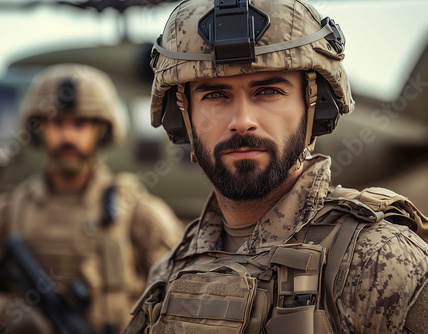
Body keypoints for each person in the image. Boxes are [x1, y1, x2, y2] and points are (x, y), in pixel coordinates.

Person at [124, 0, 428, 333]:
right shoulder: (170, 270)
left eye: (268, 91)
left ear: (314, 106)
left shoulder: (381, 262)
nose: (242, 122)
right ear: (182, 116)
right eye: (214, 95)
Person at [0, 64, 184, 334]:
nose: (68, 136)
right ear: (38, 131)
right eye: (57, 123)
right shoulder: (7, 212)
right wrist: (5, 314)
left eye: (80, 124)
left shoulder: (138, 212)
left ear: (101, 131)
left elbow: (185, 297)